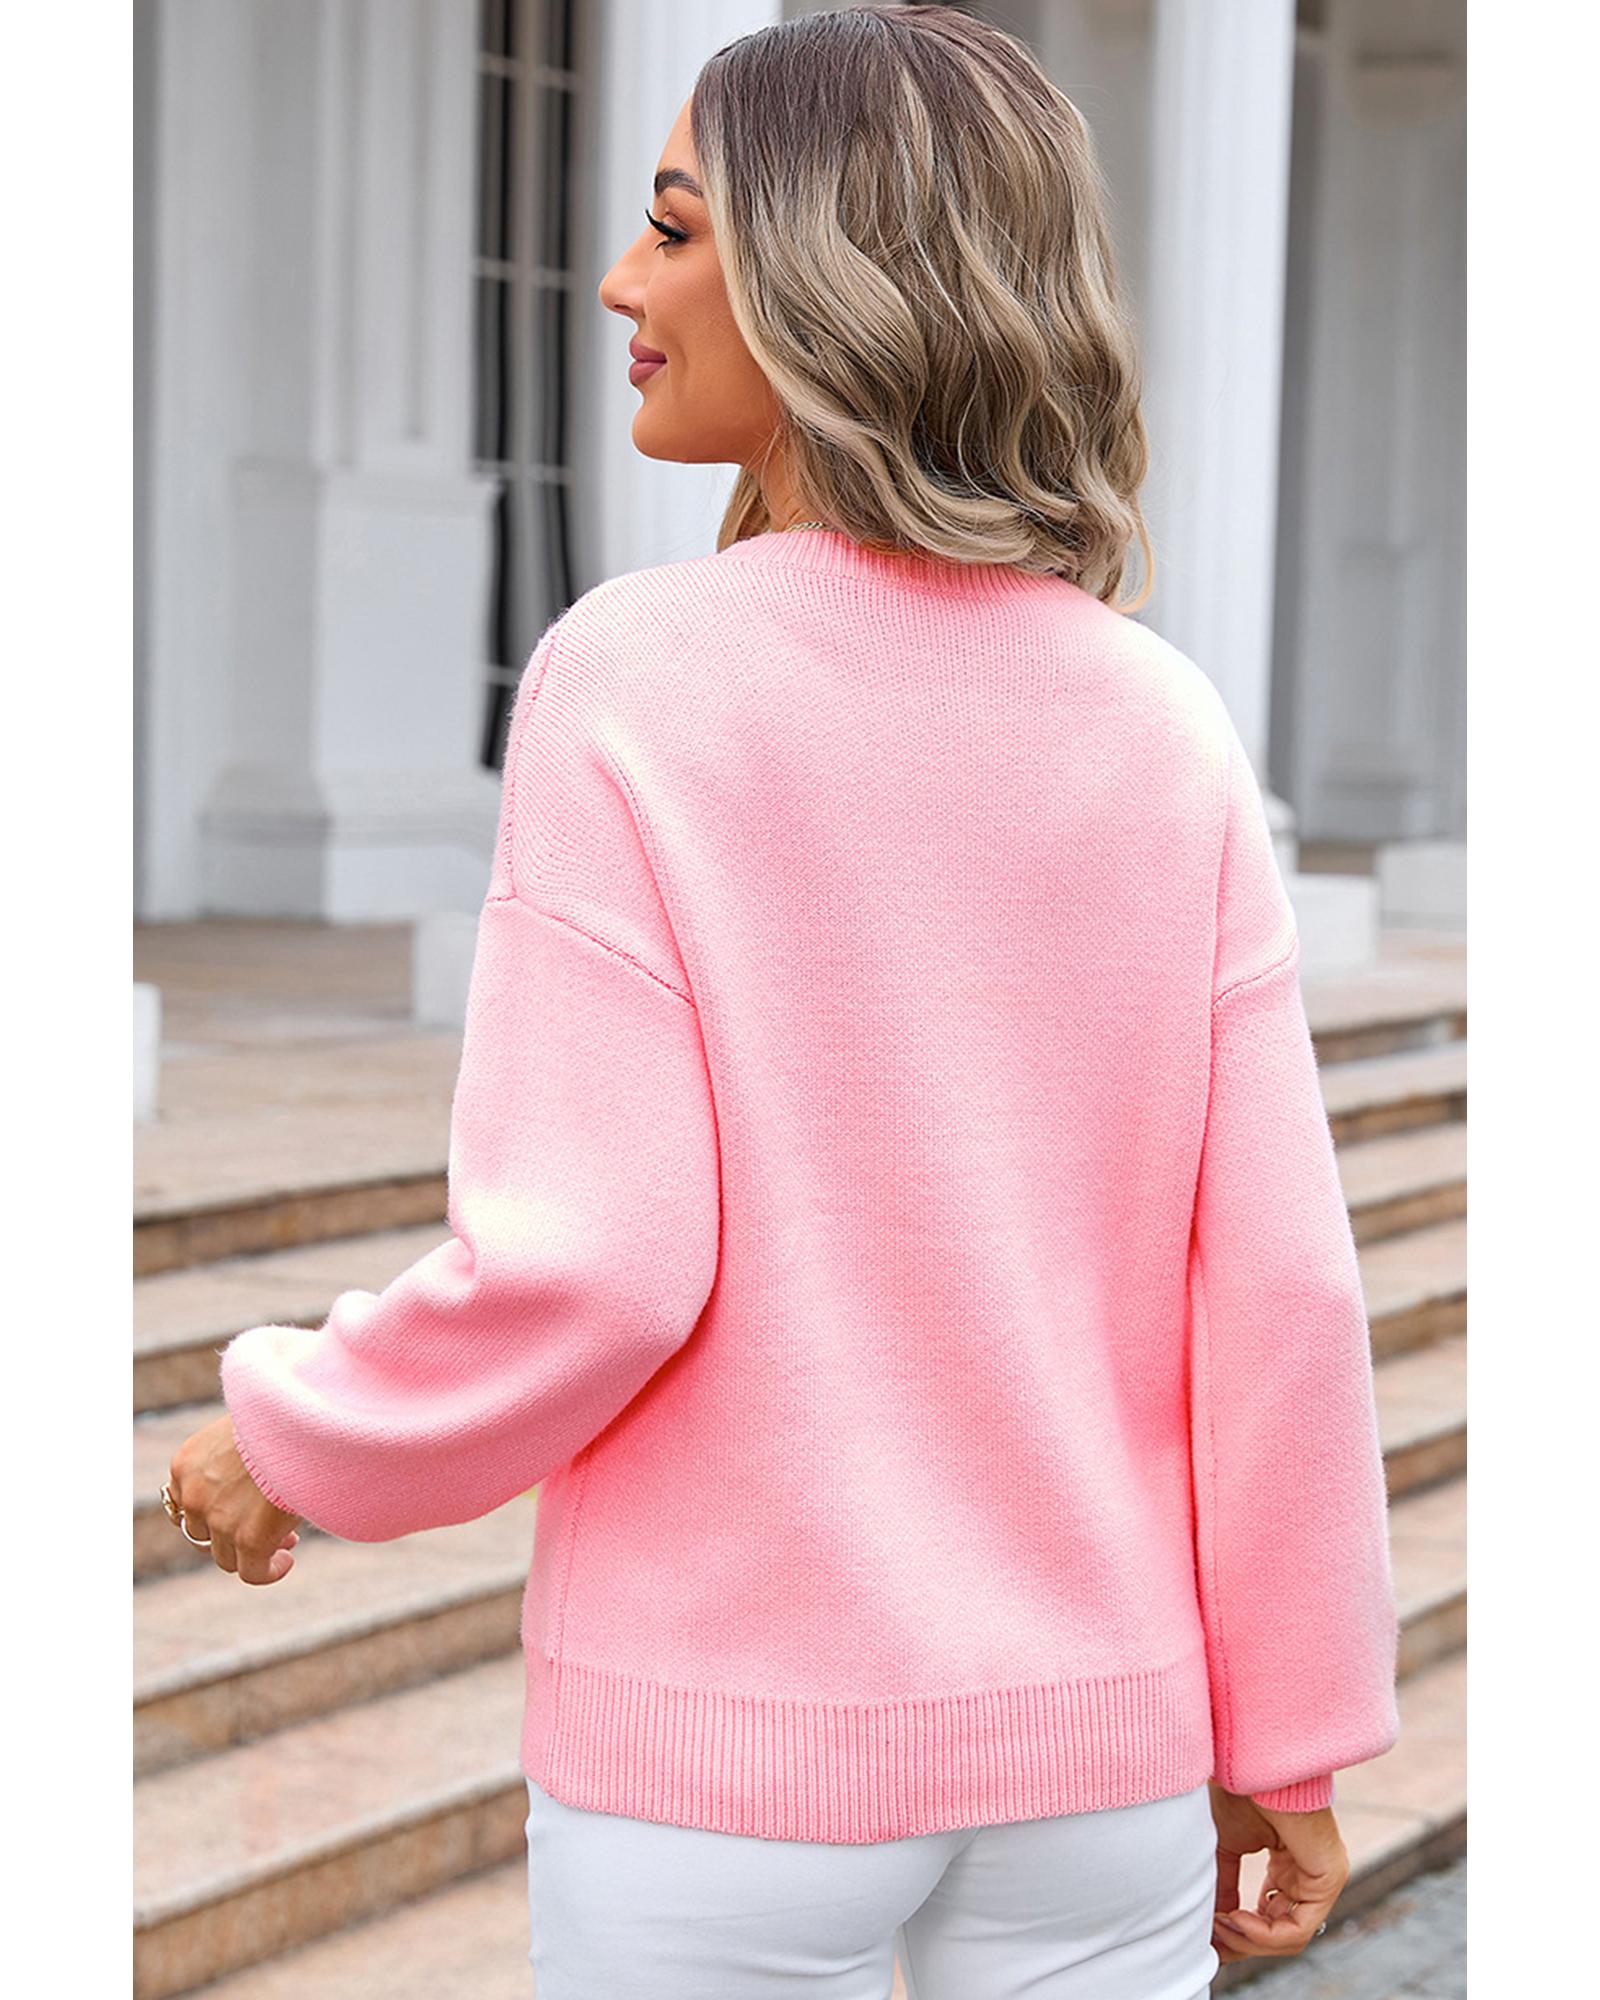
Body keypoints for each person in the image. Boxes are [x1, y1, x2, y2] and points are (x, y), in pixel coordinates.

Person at [164, 7, 1400, 1994]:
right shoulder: (1161, 723)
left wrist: (295, 1435)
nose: (616, 281)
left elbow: (596, 1266)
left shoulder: (635, 678)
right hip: (1098, 1763)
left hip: (721, 1773)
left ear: (827, 278)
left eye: (674, 228)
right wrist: (1295, 1729)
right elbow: (1276, 1290)